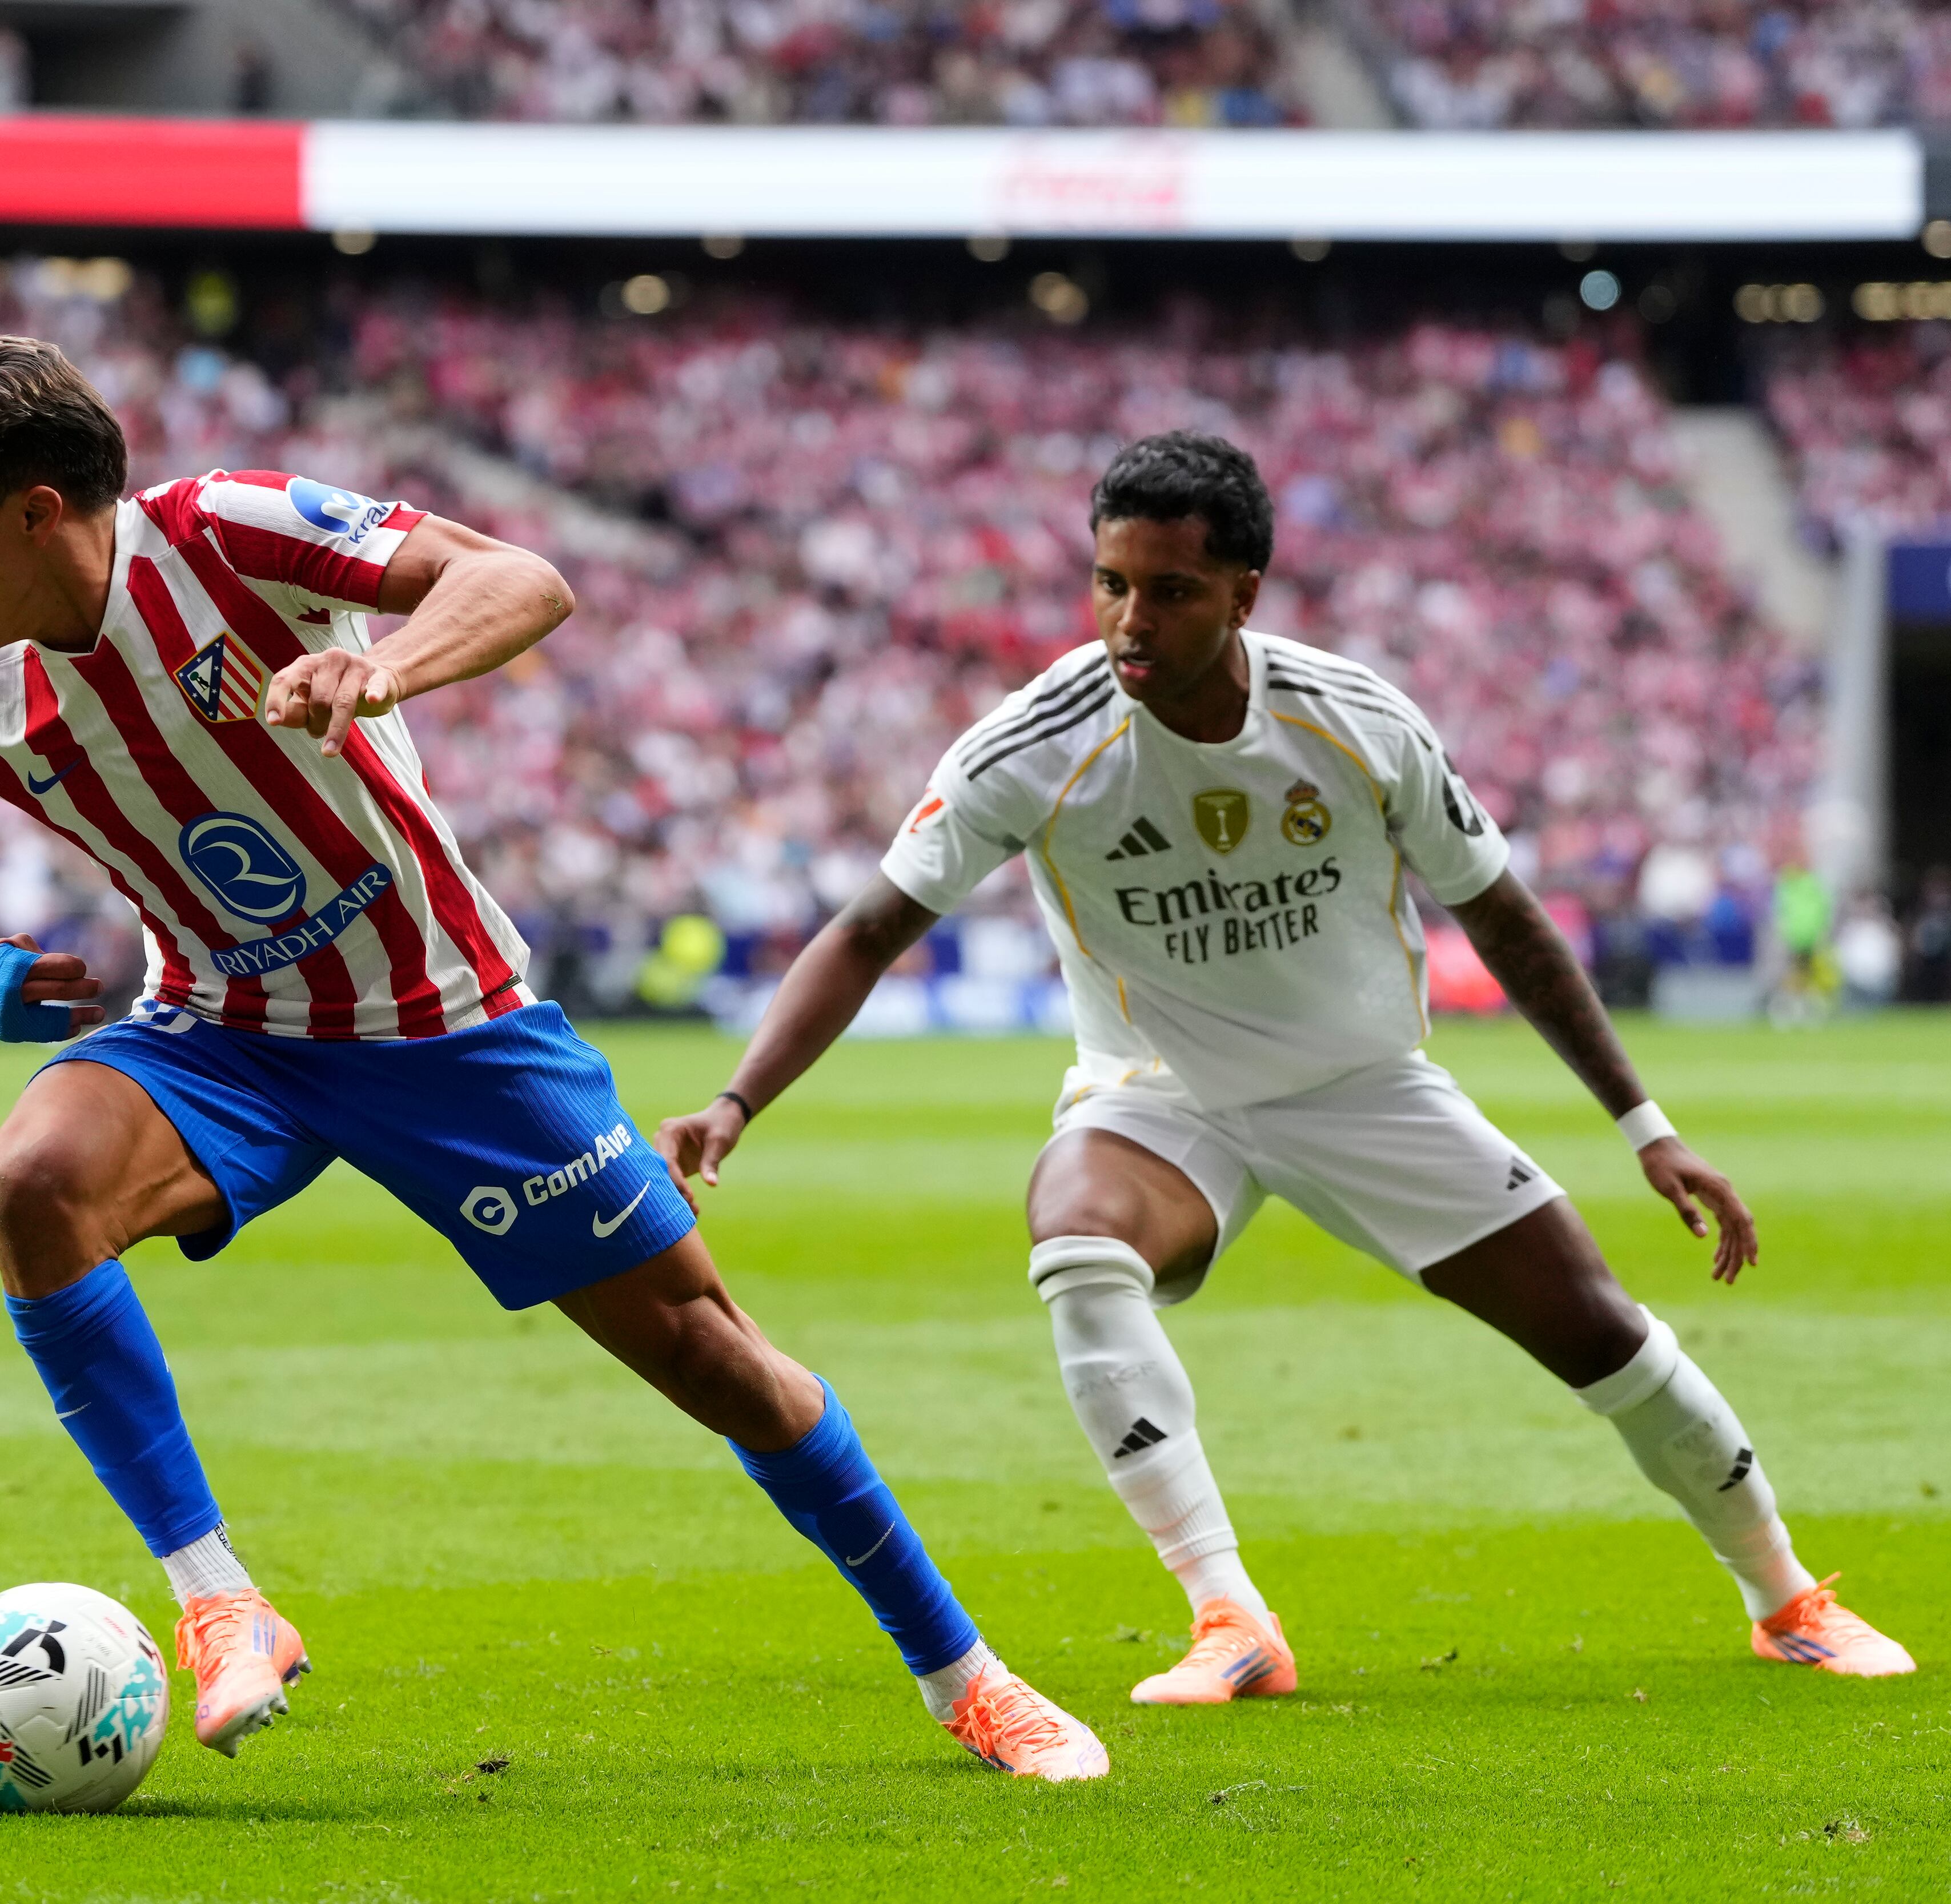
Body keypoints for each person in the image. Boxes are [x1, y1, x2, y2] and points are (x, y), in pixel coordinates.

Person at [0, 335, 1109, 1781]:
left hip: (447, 1023)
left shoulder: (223, 531)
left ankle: (966, 1676)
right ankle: (220, 1601)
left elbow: (521, 577)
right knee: (35, 1185)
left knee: (716, 1360)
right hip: (224, 1034)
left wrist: (379, 666)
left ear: (35, 511)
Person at [659, 432, 1914, 1704]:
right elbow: (869, 929)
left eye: (1170, 590)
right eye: (1110, 583)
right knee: (1078, 1243)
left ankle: (1786, 1595)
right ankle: (1230, 1617)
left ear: (1245, 592)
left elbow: (1504, 916)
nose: (1130, 621)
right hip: (1159, 1090)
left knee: (1602, 1334)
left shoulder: (1355, 718)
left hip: (1361, 1083)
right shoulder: (1032, 740)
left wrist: (1644, 1123)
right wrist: (736, 1098)